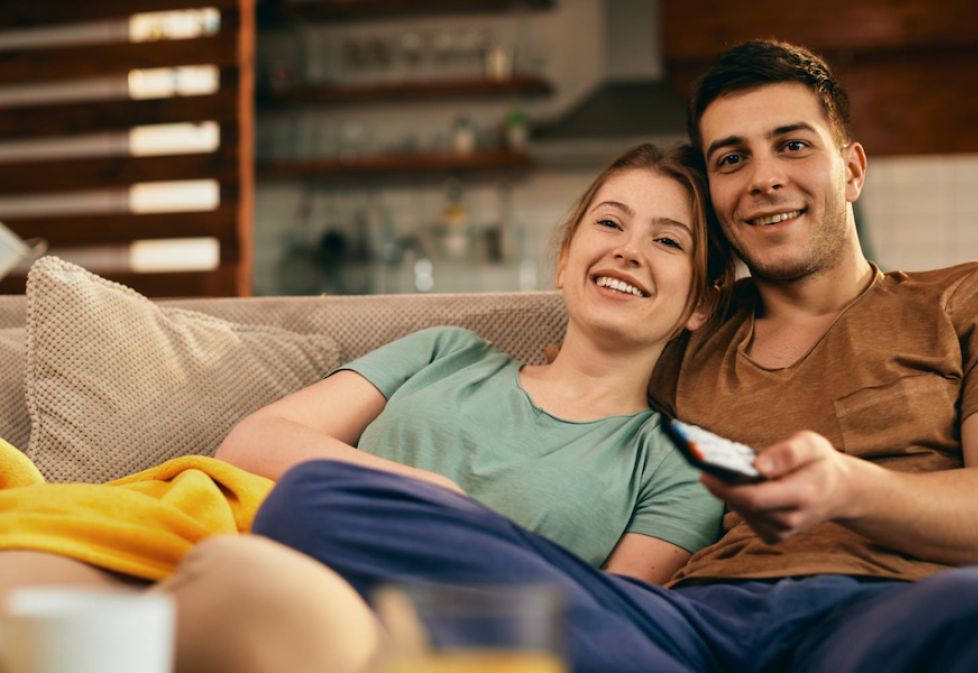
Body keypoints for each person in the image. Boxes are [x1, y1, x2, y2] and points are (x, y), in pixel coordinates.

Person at [251, 39, 978, 673]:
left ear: (851, 168)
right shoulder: (684, 325)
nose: (765, 176)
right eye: (731, 158)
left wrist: (851, 488)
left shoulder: (967, 299)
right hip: (677, 628)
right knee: (318, 500)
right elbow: (582, 362)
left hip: (877, 615)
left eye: (793, 145)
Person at [0, 143, 732, 673]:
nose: (630, 250)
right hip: (202, 530)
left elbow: (601, 623)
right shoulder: (450, 351)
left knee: (257, 596)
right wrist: (429, 494)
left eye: (668, 240)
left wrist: (437, 533)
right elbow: (254, 442)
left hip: (377, 624)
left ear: (700, 302)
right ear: (566, 257)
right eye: (610, 224)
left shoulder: (673, 463)